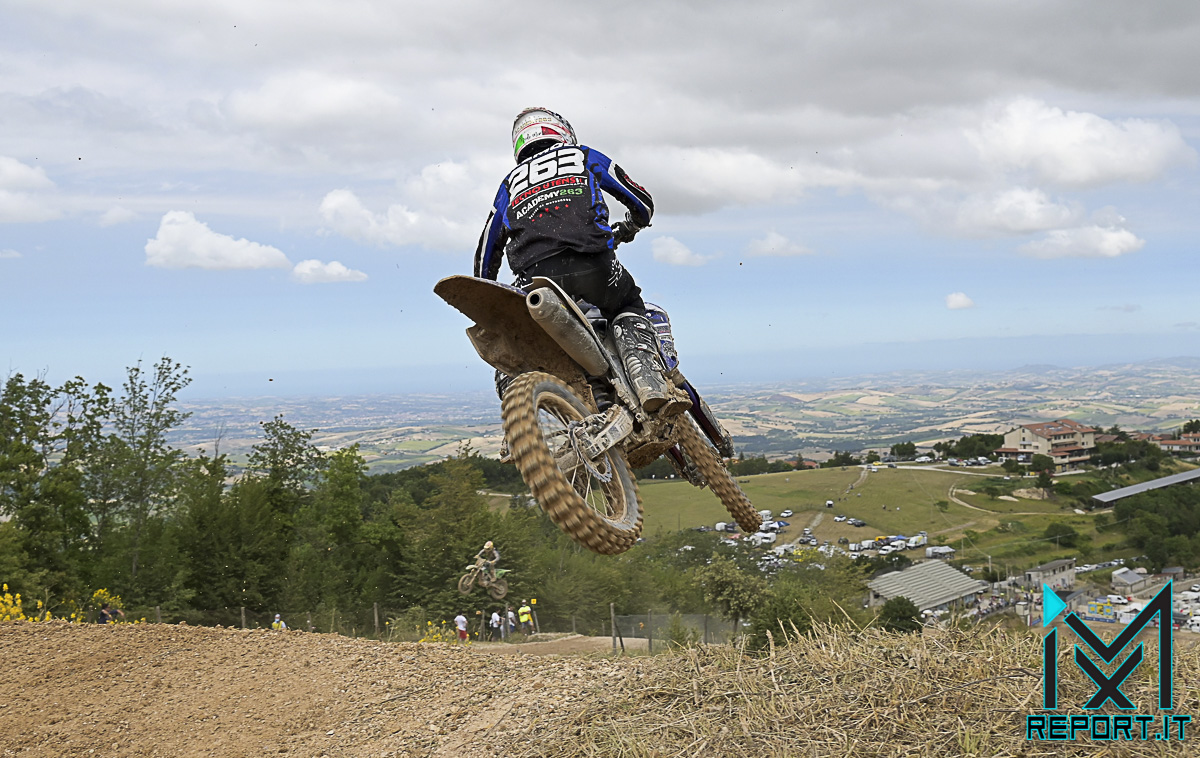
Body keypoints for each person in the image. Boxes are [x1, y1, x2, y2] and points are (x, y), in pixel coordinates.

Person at [475, 107, 685, 416]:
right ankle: (647, 380)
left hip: (535, 279)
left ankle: (520, 400)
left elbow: (486, 249)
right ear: (562, 132)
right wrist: (633, 224)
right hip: (593, 264)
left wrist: (486, 288)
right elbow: (641, 202)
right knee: (627, 303)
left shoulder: (508, 184)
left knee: (516, 335)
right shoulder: (583, 155)